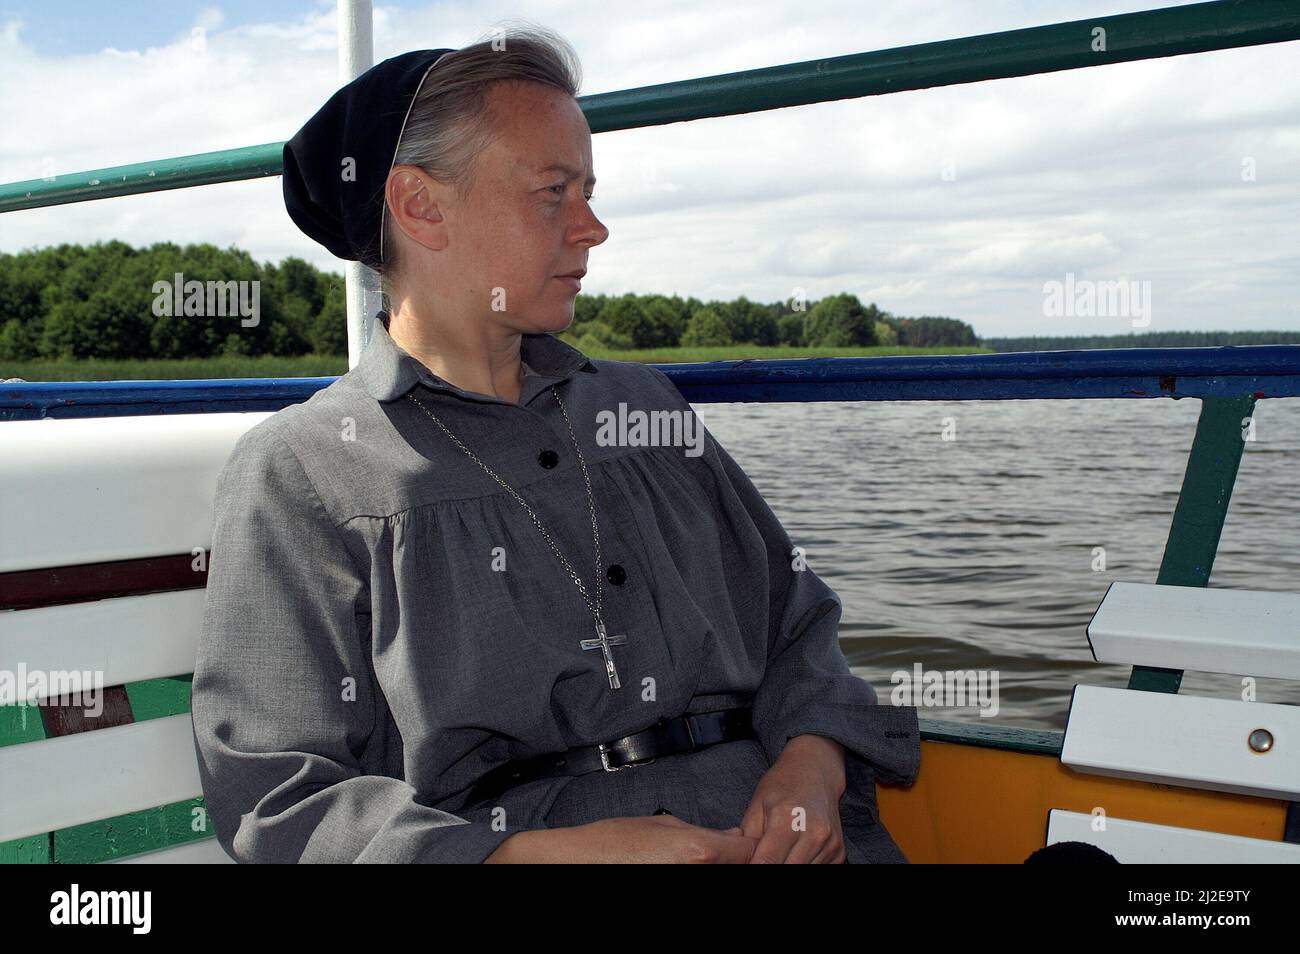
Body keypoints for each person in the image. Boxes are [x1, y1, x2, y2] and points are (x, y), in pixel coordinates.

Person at [190, 23, 921, 864]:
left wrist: (811, 766)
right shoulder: (306, 472)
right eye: (553, 192)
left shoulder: (645, 408)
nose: (593, 228)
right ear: (421, 206)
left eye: (591, 190)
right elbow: (277, 793)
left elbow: (799, 628)